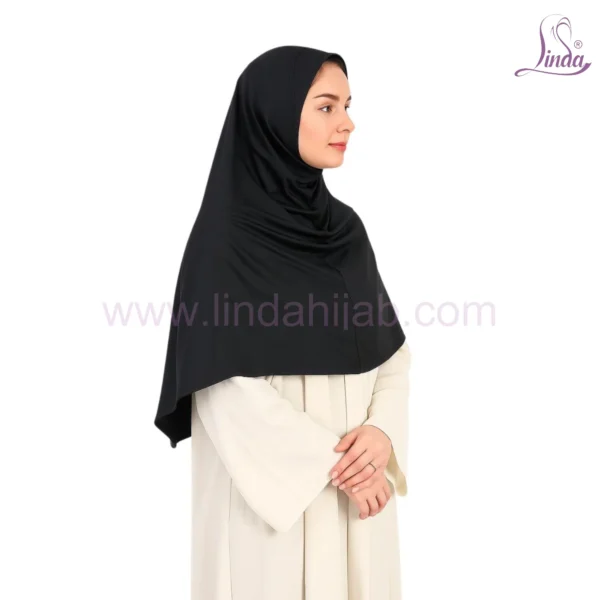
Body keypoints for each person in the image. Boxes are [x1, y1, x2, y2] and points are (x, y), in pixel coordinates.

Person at [154, 45, 412, 600]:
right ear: (273, 115)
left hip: (360, 503)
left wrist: (382, 433)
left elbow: (389, 353)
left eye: (347, 106)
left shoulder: (346, 232)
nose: (347, 123)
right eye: (326, 106)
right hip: (271, 516)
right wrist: (342, 470)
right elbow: (222, 389)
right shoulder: (223, 246)